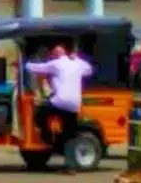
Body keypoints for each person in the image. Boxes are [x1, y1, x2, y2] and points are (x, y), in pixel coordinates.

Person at [26, 45, 93, 174]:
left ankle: (48, 138)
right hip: (74, 105)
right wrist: (77, 59)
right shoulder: (77, 65)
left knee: (40, 115)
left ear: (56, 55)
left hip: (59, 101)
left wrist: (24, 64)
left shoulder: (56, 64)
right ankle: (70, 167)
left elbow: (37, 68)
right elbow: (89, 70)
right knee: (70, 136)